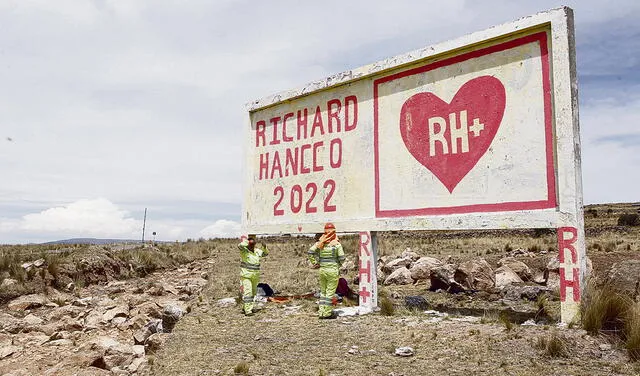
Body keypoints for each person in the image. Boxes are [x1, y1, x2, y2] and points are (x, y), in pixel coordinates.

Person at [308, 223, 345, 319]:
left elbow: (310, 252)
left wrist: (315, 263)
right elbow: (342, 257)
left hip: (322, 270)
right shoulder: (337, 244)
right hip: (332, 271)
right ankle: (327, 313)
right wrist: (338, 265)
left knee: (323, 292)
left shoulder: (320, 243)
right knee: (330, 293)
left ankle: (321, 312)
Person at [238, 235, 268, 316]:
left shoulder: (257, 251)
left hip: (255, 276)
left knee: (254, 292)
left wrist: (264, 247)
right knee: (248, 293)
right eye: (250, 244)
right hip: (246, 276)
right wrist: (247, 242)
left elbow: (265, 254)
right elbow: (240, 245)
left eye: (253, 244)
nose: (252, 245)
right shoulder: (244, 251)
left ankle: (247, 308)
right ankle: (248, 311)